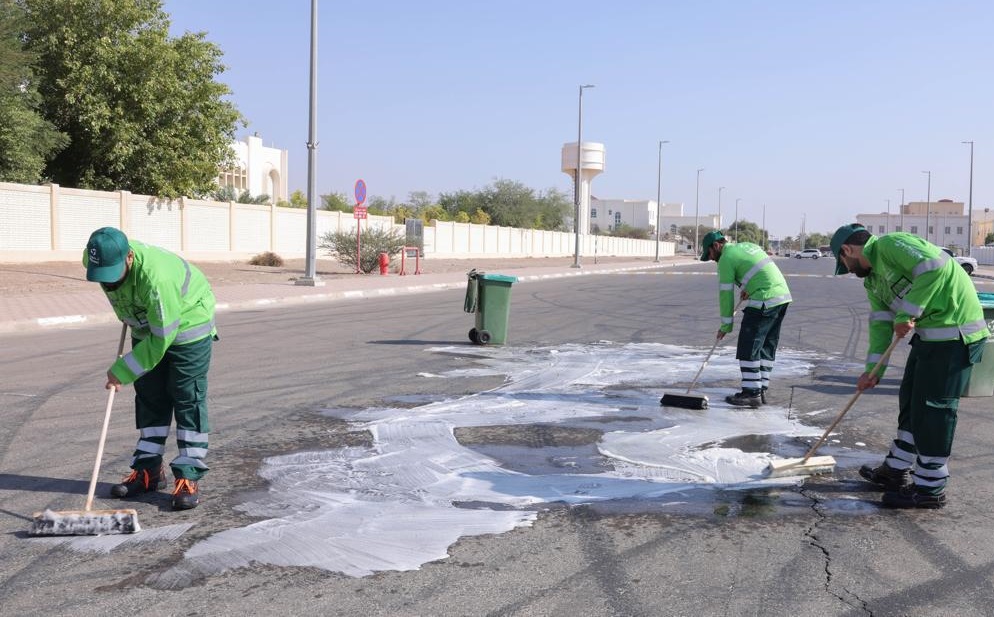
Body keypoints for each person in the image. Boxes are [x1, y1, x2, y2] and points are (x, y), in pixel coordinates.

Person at [830, 223, 988, 509]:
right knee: (912, 403)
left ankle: (930, 487)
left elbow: (933, 267)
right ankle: (896, 469)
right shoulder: (873, 281)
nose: (848, 270)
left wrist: (908, 311)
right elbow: (880, 326)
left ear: (847, 250)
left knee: (934, 410)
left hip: (956, 335)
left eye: (844, 263)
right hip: (930, 337)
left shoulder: (890, 245)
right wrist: (872, 371)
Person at [83, 227, 217, 510]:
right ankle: (148, 472)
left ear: (129, 257)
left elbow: (161, 338)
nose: (108, 284)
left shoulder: (158, 281)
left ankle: (189, 476)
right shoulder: (95, 257)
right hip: (148, 324)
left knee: (186, 396)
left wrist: (122, 370)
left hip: (188, 324)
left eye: (113, 274)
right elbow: (151, 332)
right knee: (150, 396)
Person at [699, 231, 792, 408]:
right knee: (766, 346)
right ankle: (761, 389)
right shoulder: (747, 246)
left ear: (716, 246)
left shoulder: (726, 258)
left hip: (764, 299)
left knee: (748, 345)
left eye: (710, 254)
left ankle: (751, 393)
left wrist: (726, 326)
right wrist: (749, 287)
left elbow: (725, 295)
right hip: (782, 297)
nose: (712, 259)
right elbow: (759, 270)